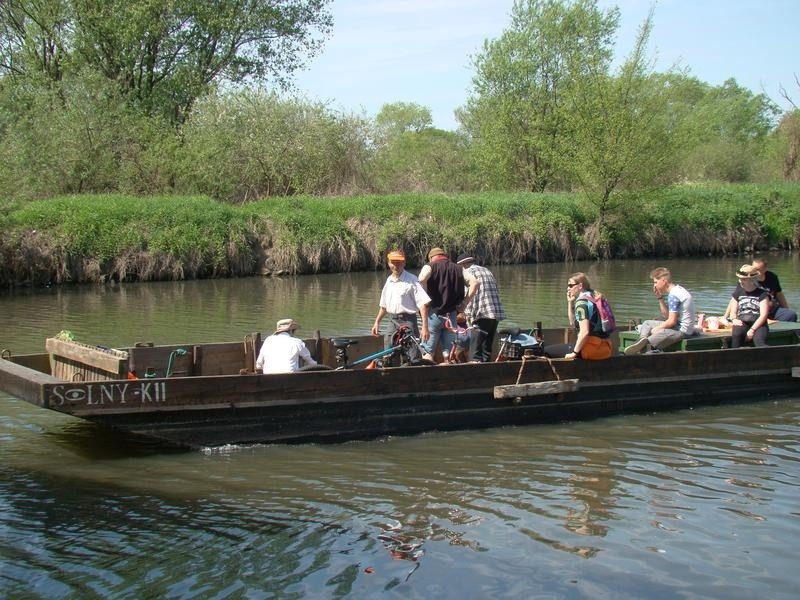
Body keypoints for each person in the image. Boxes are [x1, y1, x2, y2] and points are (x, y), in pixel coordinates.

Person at [624, 267, 697, 355]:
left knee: (653, 338)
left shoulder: (674, 295)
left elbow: (671, 322)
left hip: (682, 331)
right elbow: (667, 316)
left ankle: (645, 344)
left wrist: (657, 329)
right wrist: (660, 298)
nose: (654, 285)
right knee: (647, 323)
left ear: (664, 281)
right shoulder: (677, 290)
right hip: (676, 326)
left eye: (655, 282)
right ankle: (641, 340)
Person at [543, 272, 612, 360]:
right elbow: (573, 323)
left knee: (545, 351)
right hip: (605, 348)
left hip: (591, 350)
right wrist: (570, 302)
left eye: (570, 285)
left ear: (580, 286)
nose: (568, 288)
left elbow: (585, 332)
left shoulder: (581, 303)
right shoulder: (595, 297)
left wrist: (574, 353)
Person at [371, 250, 430, 349]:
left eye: (399, 263)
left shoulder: (412, 280)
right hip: (392, 321)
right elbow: (384, 306)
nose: (396, 266)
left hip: (409, 320)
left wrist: (425, 327)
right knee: (388, 350)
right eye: (393, 263)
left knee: (412, 351)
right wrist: (377, 322)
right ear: (389, 263)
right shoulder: (389, 281)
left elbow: (422, 304)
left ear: (404, 263)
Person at [455, 253, 506, 362]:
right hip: (494, 313)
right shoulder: (486, 270)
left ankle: (475, 373)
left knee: (475, 352)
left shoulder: (467, 272)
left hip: (480, 313)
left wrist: (461, 308)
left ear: (462, 265)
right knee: (486, 348)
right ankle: (487, 370)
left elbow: (466, 293)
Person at [418, 247, 465, 362]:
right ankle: (447, 375)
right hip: (452, 317)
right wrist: (465, 302)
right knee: (448, 353)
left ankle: (426, 373)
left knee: (428, 351)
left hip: (434, 315)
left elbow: (421, 278)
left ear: (431, 257)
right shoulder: (458, 268)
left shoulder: (430, 266)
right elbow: (475, 282)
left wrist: (425, 299)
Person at [729, 264, 770, 348]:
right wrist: (734, 319)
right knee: (737, 336)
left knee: (759, 340)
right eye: (740, 279)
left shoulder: (762, 294)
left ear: (752, 280)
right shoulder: (737, 293)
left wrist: (752, 330)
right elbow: (733, 312)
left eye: (743, 279)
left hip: (759, 323)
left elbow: (763, 315)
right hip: (742, 322)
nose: (740, 281)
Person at [752, 257, 797, 322]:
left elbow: (779, 294)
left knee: (791, 315)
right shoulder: (748, 279)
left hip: (773, 310)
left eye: (758, 269)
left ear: (765, 269)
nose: (754, 271)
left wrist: (786, 309)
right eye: (753, 269)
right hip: (755, 311)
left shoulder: (772, 277)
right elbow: (737, 297)